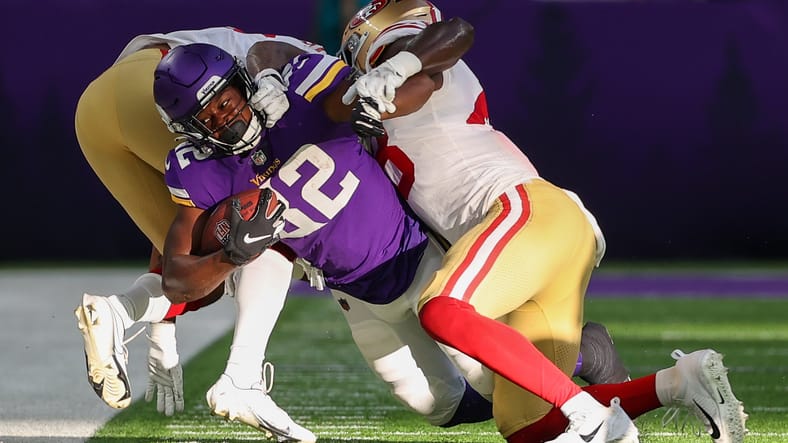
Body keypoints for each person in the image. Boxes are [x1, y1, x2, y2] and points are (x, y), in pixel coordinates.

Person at [338, 1, 748, 442]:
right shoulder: (381, 111)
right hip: (545, 239)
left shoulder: (427, 67)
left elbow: (452, 36)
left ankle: (592, 418)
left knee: (442, 309)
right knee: (527, 425)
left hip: (524, 212)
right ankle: (678, 383)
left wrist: (397, 65)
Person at [154, 42, 496, 432]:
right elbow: (176, 281)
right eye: (208, 116)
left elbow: (271, 51)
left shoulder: (298, 94)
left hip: (417, 258)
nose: (225, 116)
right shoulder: (199, 170)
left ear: (241, 82)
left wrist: (271, 75)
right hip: (355, 294)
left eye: (225, 99)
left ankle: (575, 368)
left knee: (490, 374)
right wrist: (228, 257)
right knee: (439, 405)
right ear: (189, 131)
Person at [73, 26, 323, 440]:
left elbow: (179, 238)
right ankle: (244, 378)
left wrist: (163, 337)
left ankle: (118, 312)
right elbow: (266, 56)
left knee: (200, 275)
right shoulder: (316, 66)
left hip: (98, 108)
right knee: (259, 220)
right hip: (154, 88)